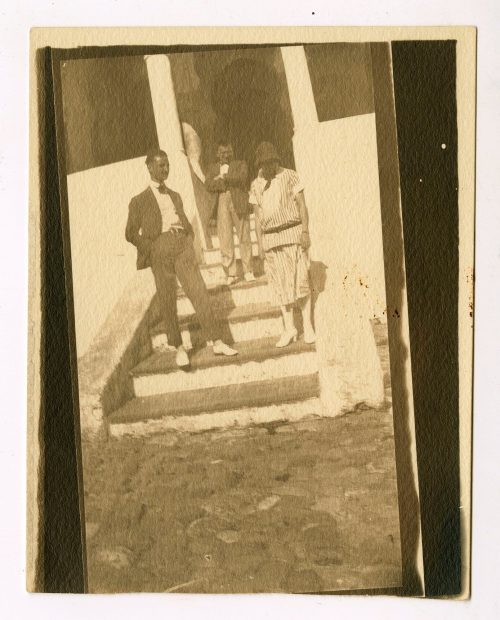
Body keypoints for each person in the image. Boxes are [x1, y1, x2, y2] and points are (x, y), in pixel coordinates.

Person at [125, 148, 238, 367]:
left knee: (199, 292)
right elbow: (130, 233)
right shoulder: (138, 201)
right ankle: (178, 348)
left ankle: (216, 340)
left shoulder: (175, 195)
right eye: (160, 165)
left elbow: (184, 219)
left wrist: (189, 238)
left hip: (182, 246)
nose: (165, 168)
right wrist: (151, 247)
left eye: (167, 164)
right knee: (168, 299)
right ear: (149, 167)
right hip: (159, 248)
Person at [249, 142, 316, 348]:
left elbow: (302, 206)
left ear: (276, 160)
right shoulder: (255, 184)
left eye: (271, 162)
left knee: (301, 281)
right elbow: (257, 216)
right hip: (270, 240)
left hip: (292, 233)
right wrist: (260, 245)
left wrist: (305, 231)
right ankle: (289, 328)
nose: (268, 167)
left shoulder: (291, 176)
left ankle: (308, 325)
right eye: (264, 164)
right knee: (279, 286)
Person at [205, 142, 255, 285]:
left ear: (232, 152)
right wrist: (223, 181)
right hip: (221, 200)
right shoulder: (213, 168)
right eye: (222, 152)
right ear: (217, 154)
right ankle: (231, 273)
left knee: (244, 235)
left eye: (228, 152)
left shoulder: (240, 164)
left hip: (238, 200)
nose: (225, 155)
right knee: (225, 237)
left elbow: (242, 178)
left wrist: (223, 177)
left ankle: (248, 270)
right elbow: (208, 184)